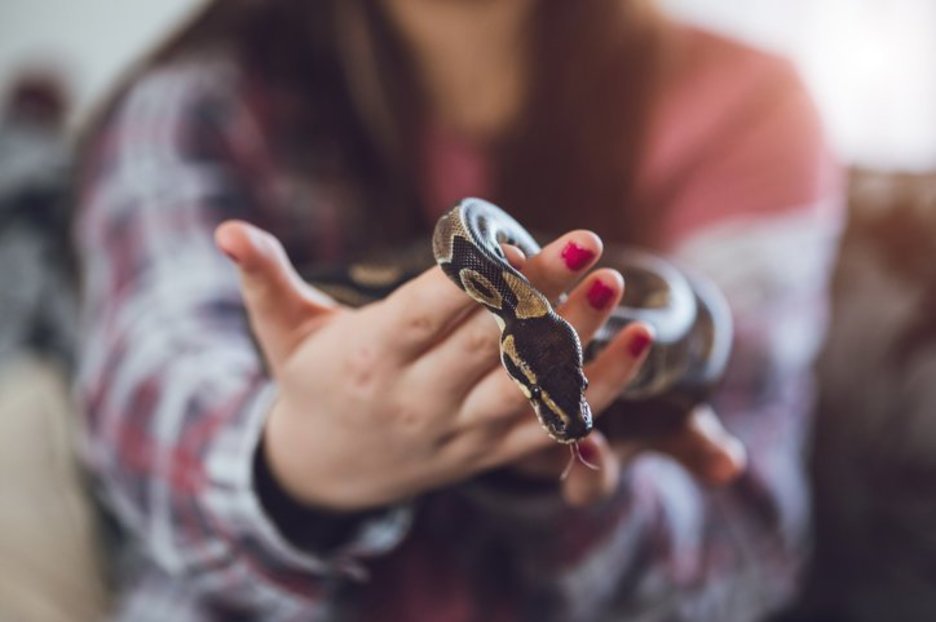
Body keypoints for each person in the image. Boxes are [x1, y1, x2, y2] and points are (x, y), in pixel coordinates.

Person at [74, 1, 843, 620]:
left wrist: (548, 488)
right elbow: (149, 395)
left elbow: (743, 562)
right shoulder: (193, 107)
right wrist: (301, 464)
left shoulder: (748, 106)